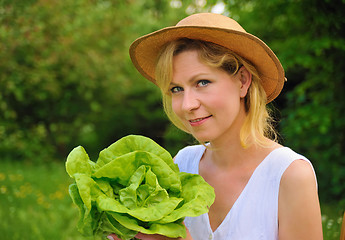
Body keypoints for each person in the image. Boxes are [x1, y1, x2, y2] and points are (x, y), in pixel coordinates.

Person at [114, 12, 323, 240]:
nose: (187, 105)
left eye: (202, 82)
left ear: (243, 81)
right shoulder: (181, 164)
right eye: (176, 89)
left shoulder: (289, 175)